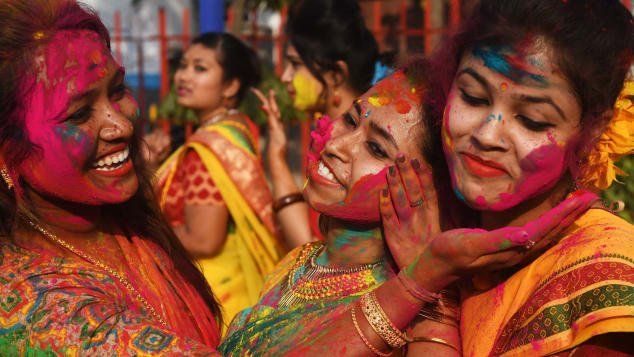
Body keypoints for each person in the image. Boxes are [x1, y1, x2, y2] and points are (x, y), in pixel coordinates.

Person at [218, 59, 597, 356]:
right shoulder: (301, 263)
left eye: (377, 149)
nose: (338, 145)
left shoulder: (408, 313)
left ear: (426, 189)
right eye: (350, 119)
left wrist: (418, 284)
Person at [381, 0, 634, 355]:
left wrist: (430, 294)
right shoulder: (420, 221)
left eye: (531, 119)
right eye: (472, 97)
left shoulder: (608, 278)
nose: (486, 135)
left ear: (594, 129)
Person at [0, 0, 224, 354]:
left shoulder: (125, 222)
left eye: (117, 90)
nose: (121, 124)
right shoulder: (45, 309)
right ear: (7, 149)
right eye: (79, 114)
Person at [154, 32, 285, 326]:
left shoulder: (207, 149)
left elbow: (203, 239)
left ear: (230, 86)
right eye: (184, 65)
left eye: (200, 68)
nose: (183, 76)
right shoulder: (237, 129)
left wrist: (145, 231)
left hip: (217, 296)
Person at [253, 0, 393, 248]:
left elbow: (311, 247)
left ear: (336, 75)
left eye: (295, 65)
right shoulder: (332, 133)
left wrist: (276, 156)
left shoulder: (346, 148)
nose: (285, 76)